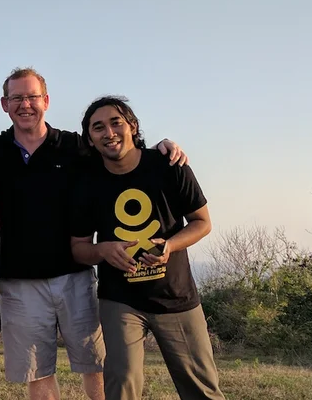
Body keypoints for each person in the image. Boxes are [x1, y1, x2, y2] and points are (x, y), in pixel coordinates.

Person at [0, 67, 188, 400]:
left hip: (75, 277)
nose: (25, 105)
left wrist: (158, 148)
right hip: (20, 281)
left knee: (94, 365)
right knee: (37, 372)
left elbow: (120, 154)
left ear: (46, 101)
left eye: (32, 97)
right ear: (4, 104)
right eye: (17, 98)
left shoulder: (75, 146)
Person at [70, 96, 224, 400]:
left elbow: (202, 222)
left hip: (176, 295)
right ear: (90, 137)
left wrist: (170, 245)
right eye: (98, 127)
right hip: (120, 299)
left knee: (202, 388)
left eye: (116, 123)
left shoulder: (169, 166)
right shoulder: (87, 182)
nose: (109, 132)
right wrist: (102, 251)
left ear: (133, 126)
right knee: (122, 383)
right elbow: (79, 248)